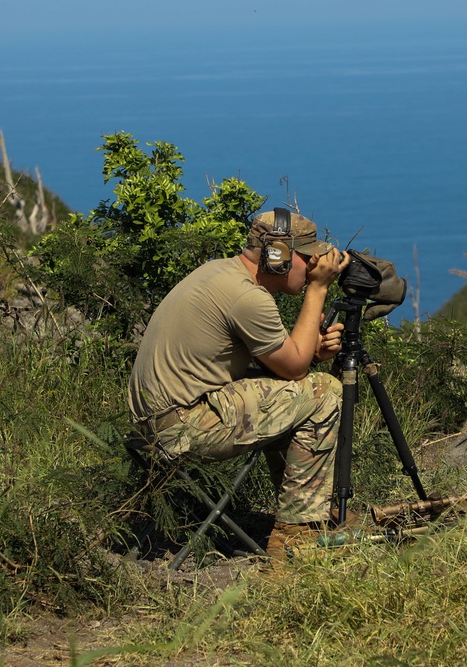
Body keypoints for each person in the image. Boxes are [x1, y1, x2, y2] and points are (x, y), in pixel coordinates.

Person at [127, 208, 352, 560]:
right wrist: (319, 290)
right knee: (323, 392)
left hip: (153, 425)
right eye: (307, 259)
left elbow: (280, 366)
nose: (311, 269)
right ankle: (294, 538)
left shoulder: (218, 272)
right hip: (183, 427)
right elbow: (293, 369)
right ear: (277, 255)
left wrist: (311, 353)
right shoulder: (247, 297)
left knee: (293, 392)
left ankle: (308, 511)